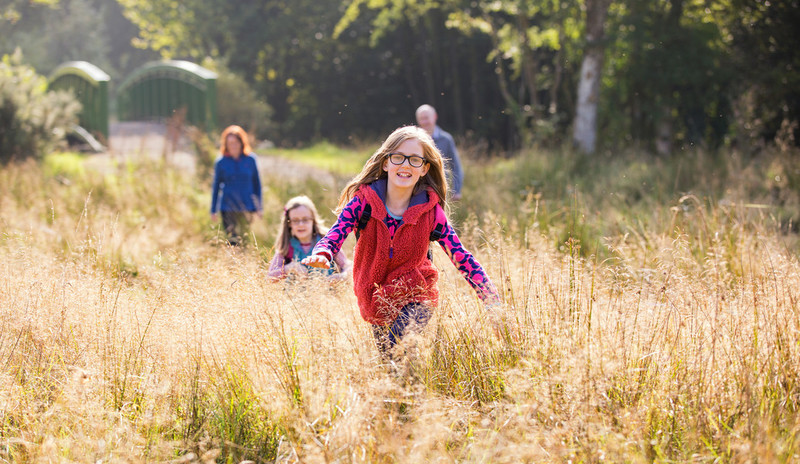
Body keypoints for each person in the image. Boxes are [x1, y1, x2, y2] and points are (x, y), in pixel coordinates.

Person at [302, 126, 500, 357]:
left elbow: (462, 258)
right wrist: (324, 252)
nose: (405, 165)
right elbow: (338, 231)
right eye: (398, 157)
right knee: (389, 359)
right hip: (375, 294)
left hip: (417, 290)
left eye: (415, 160)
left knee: (399, 343)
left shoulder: (430, 213)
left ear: (425, 168)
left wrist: (491, 300)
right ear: (386, 163)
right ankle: (405, 391)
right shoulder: (363, 203)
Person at [267, 195, 350, 280]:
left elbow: (347, 266)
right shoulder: (286, 246)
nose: (301, 224)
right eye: (295, 220)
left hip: (326, 291)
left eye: (305, 219)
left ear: (313, 220)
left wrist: (341, 277)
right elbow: (269, 277)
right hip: (295, 293)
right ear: (289, 223)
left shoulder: (327, 242)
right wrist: (289, 267)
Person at [210, 125, 263, 245]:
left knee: (245, 238)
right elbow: (216, 187)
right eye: (230, 143)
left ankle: (245, 262)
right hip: (227, 207)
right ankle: (233, 263)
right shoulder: (221, 162)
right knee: (232, 240)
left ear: (241, 142)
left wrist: (259, 207)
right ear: (226, 145)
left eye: (235, 142)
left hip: (247, 206)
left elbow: (257, 184)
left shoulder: (250, 160)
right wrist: (213, 209)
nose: (233, 145)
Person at [415, 104, 464, 200]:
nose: (424, 122)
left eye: (426, 118)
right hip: (418, 191)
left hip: (440, 190)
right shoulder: (414, 139)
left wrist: (457, 190)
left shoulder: (446, 139)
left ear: (435, 117)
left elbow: (455, 166)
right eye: (421, 119)